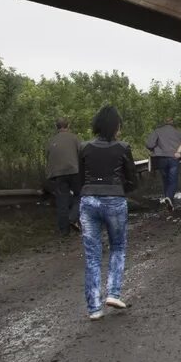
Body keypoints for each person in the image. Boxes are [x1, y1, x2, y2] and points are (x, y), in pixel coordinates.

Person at [79, 106, 138, 321]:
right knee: (118, 247)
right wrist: (123, 190)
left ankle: (94, 308)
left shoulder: (84, 147)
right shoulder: (123, 148)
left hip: (88, 200)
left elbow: (79, 178)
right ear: (115, 127)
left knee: (92, 255)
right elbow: (132, 178)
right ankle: (113, 293)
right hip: (114, 199)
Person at [45, 117, 82, 235]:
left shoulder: (51, 141)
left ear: (56, 127)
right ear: (68, 126)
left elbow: (48, 157)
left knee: (62, 201)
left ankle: (63, 231)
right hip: (74, 171)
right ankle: (73, 217)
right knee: (81, 196)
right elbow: (81, 154)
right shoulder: (74, 138)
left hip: (58, 174)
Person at [146, 116, 181, 211]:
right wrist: (180, 152)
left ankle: (168, 200)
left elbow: (149, 144)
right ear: (173, 123)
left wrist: (155, 149)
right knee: (173, 180)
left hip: (161, 158)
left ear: (164, 122)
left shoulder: (157, 131)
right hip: (173, 158)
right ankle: (169, 198)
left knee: (165, 180)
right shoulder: (179, 132)